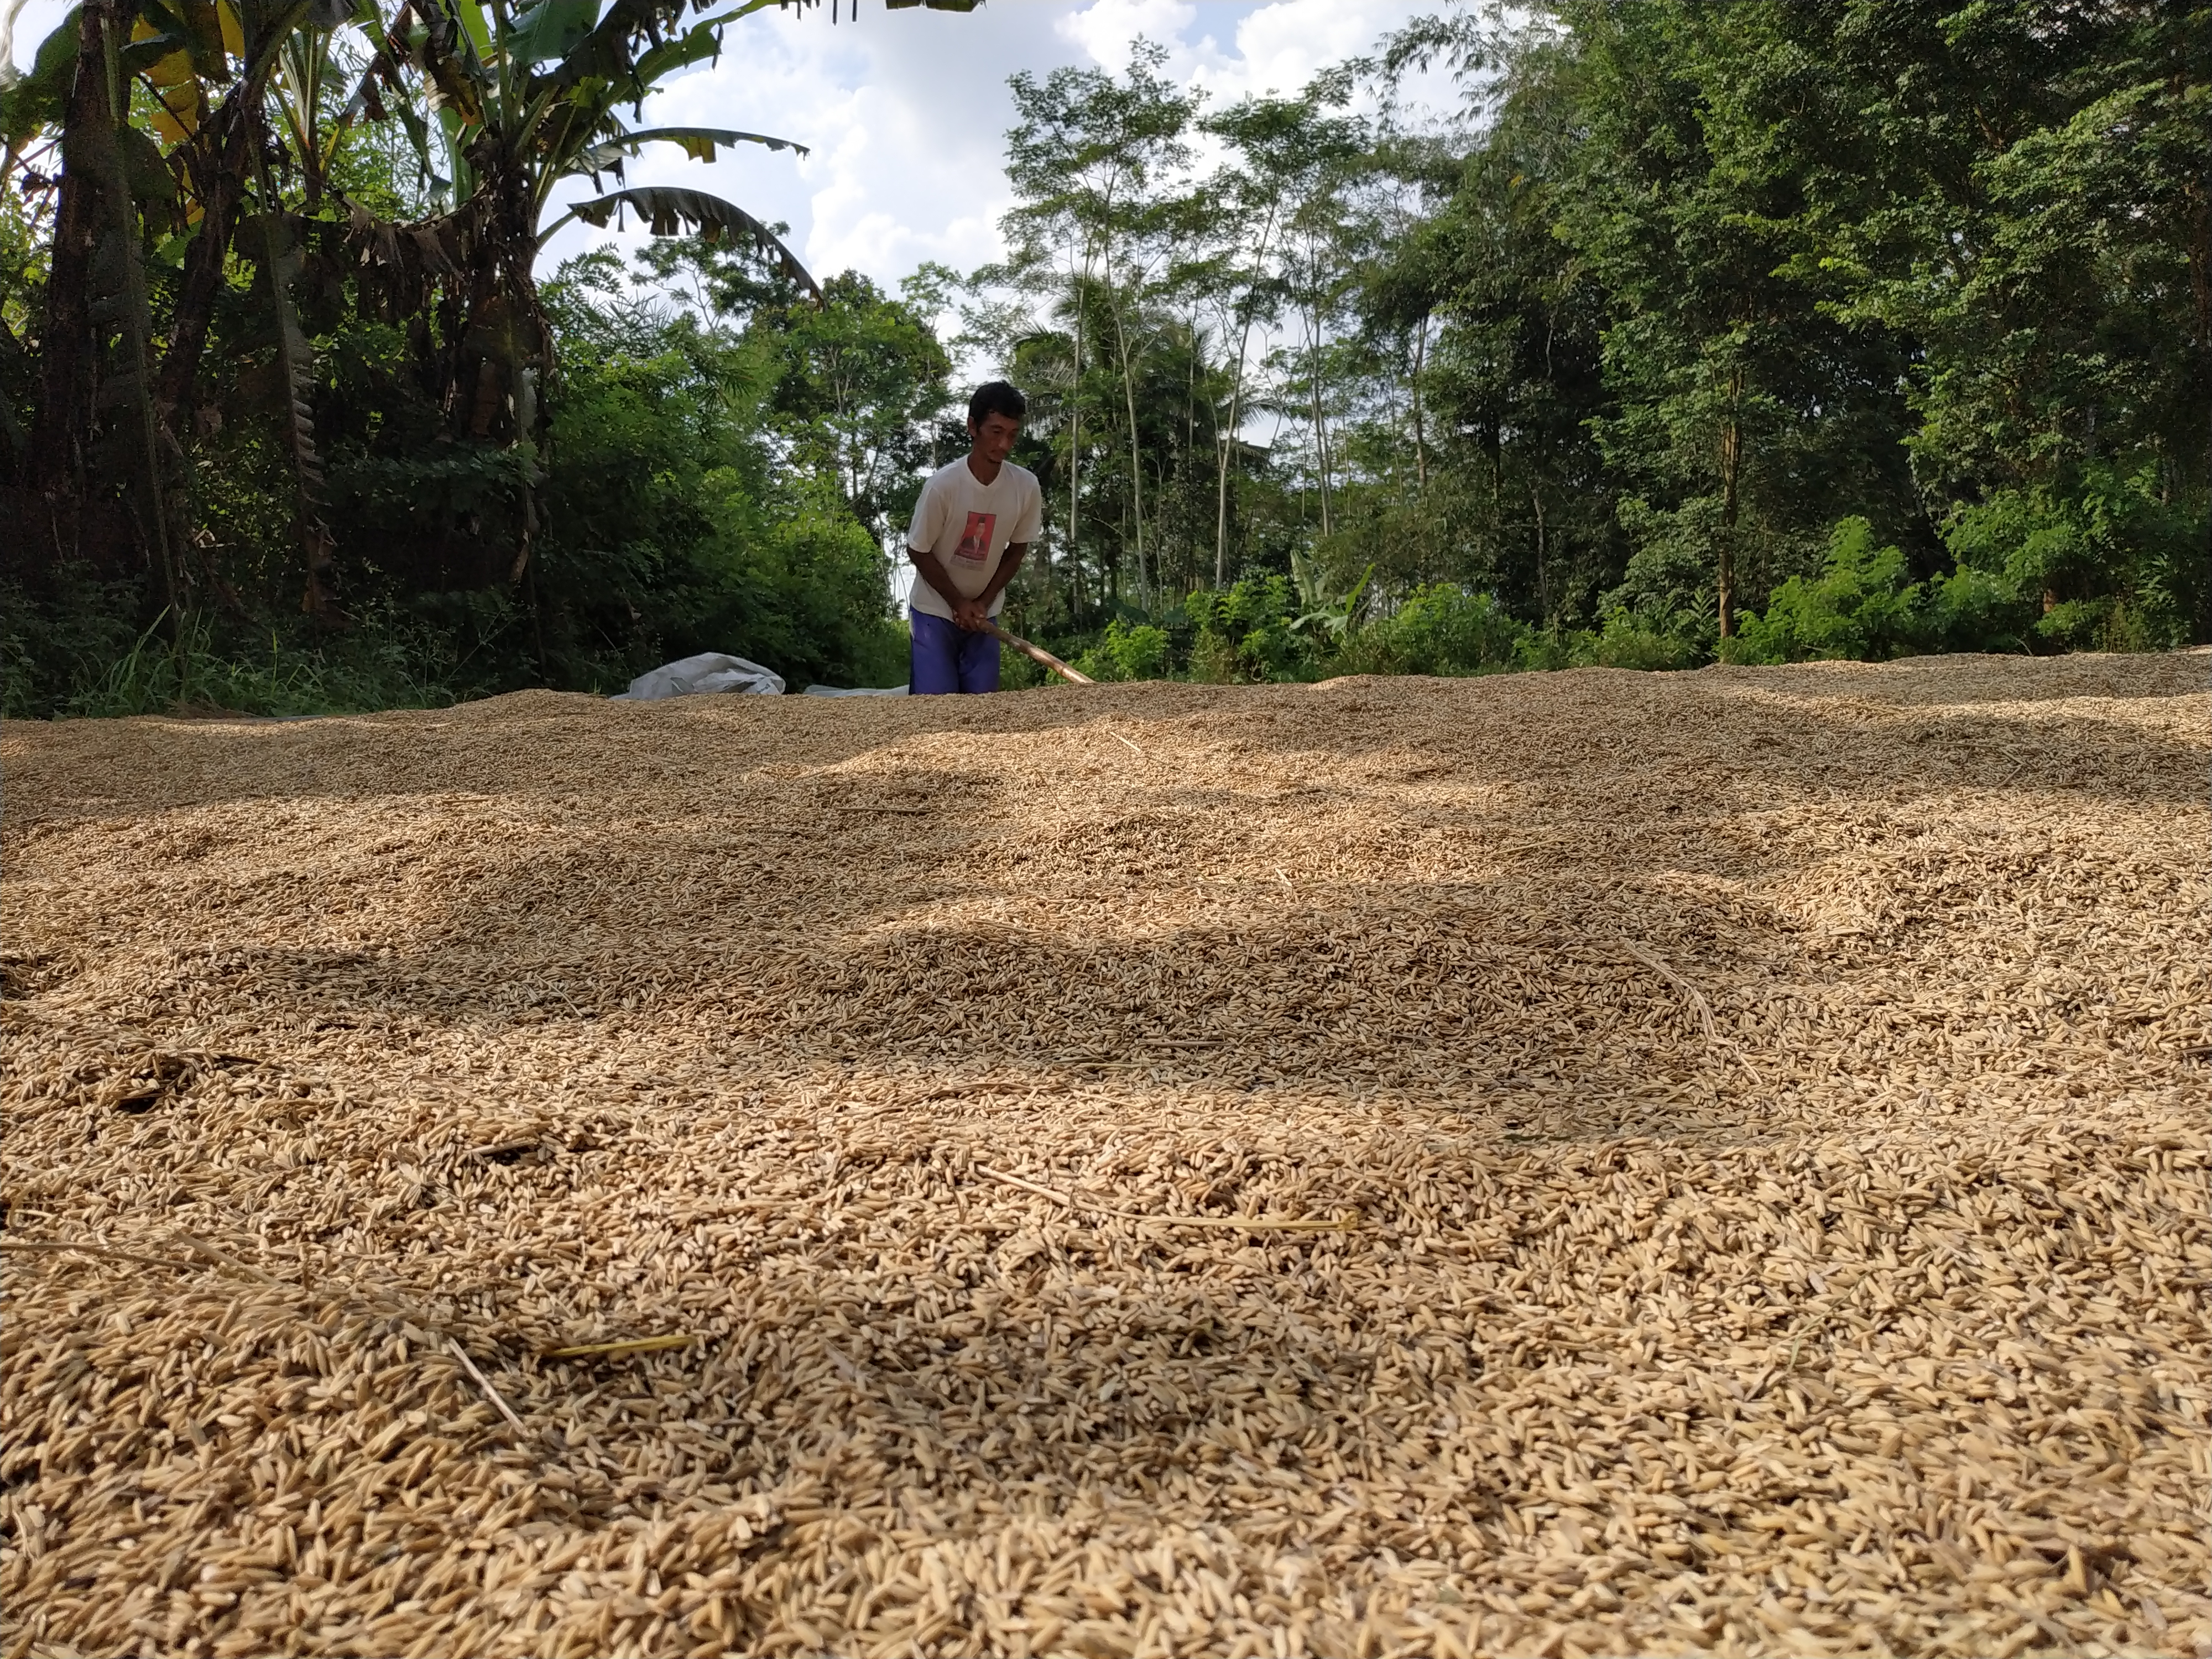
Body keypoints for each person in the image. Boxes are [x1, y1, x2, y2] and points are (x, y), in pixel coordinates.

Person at [905, 381, 1043, 695]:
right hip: (934, 611)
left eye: (1012, 434)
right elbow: (918, 550)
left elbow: (1016, 551)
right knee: (934, 708)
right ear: (973, 427)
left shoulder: (1026, 487)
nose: (1004, 444)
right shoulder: (943, 486)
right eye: (996, 432)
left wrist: (982, 603)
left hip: (985, 613)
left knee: (982, 711)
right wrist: (958, 602)